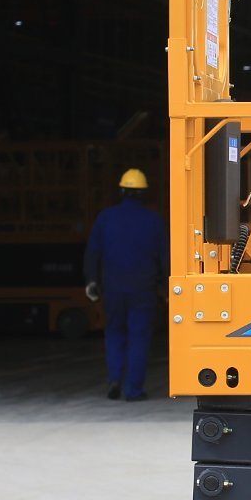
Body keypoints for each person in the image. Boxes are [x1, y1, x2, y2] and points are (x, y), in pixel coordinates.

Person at [84, 168, 166, 402]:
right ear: (144, 194)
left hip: (113, 288)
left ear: (122, 191)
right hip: (143, 289)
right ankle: (133, 390)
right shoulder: (154, 220)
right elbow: (164, 256)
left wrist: (91, 281)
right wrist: (166, 286)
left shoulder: (105, 217)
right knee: (138, 337)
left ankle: (114, 380)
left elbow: (93, 253)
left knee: (114, 334)